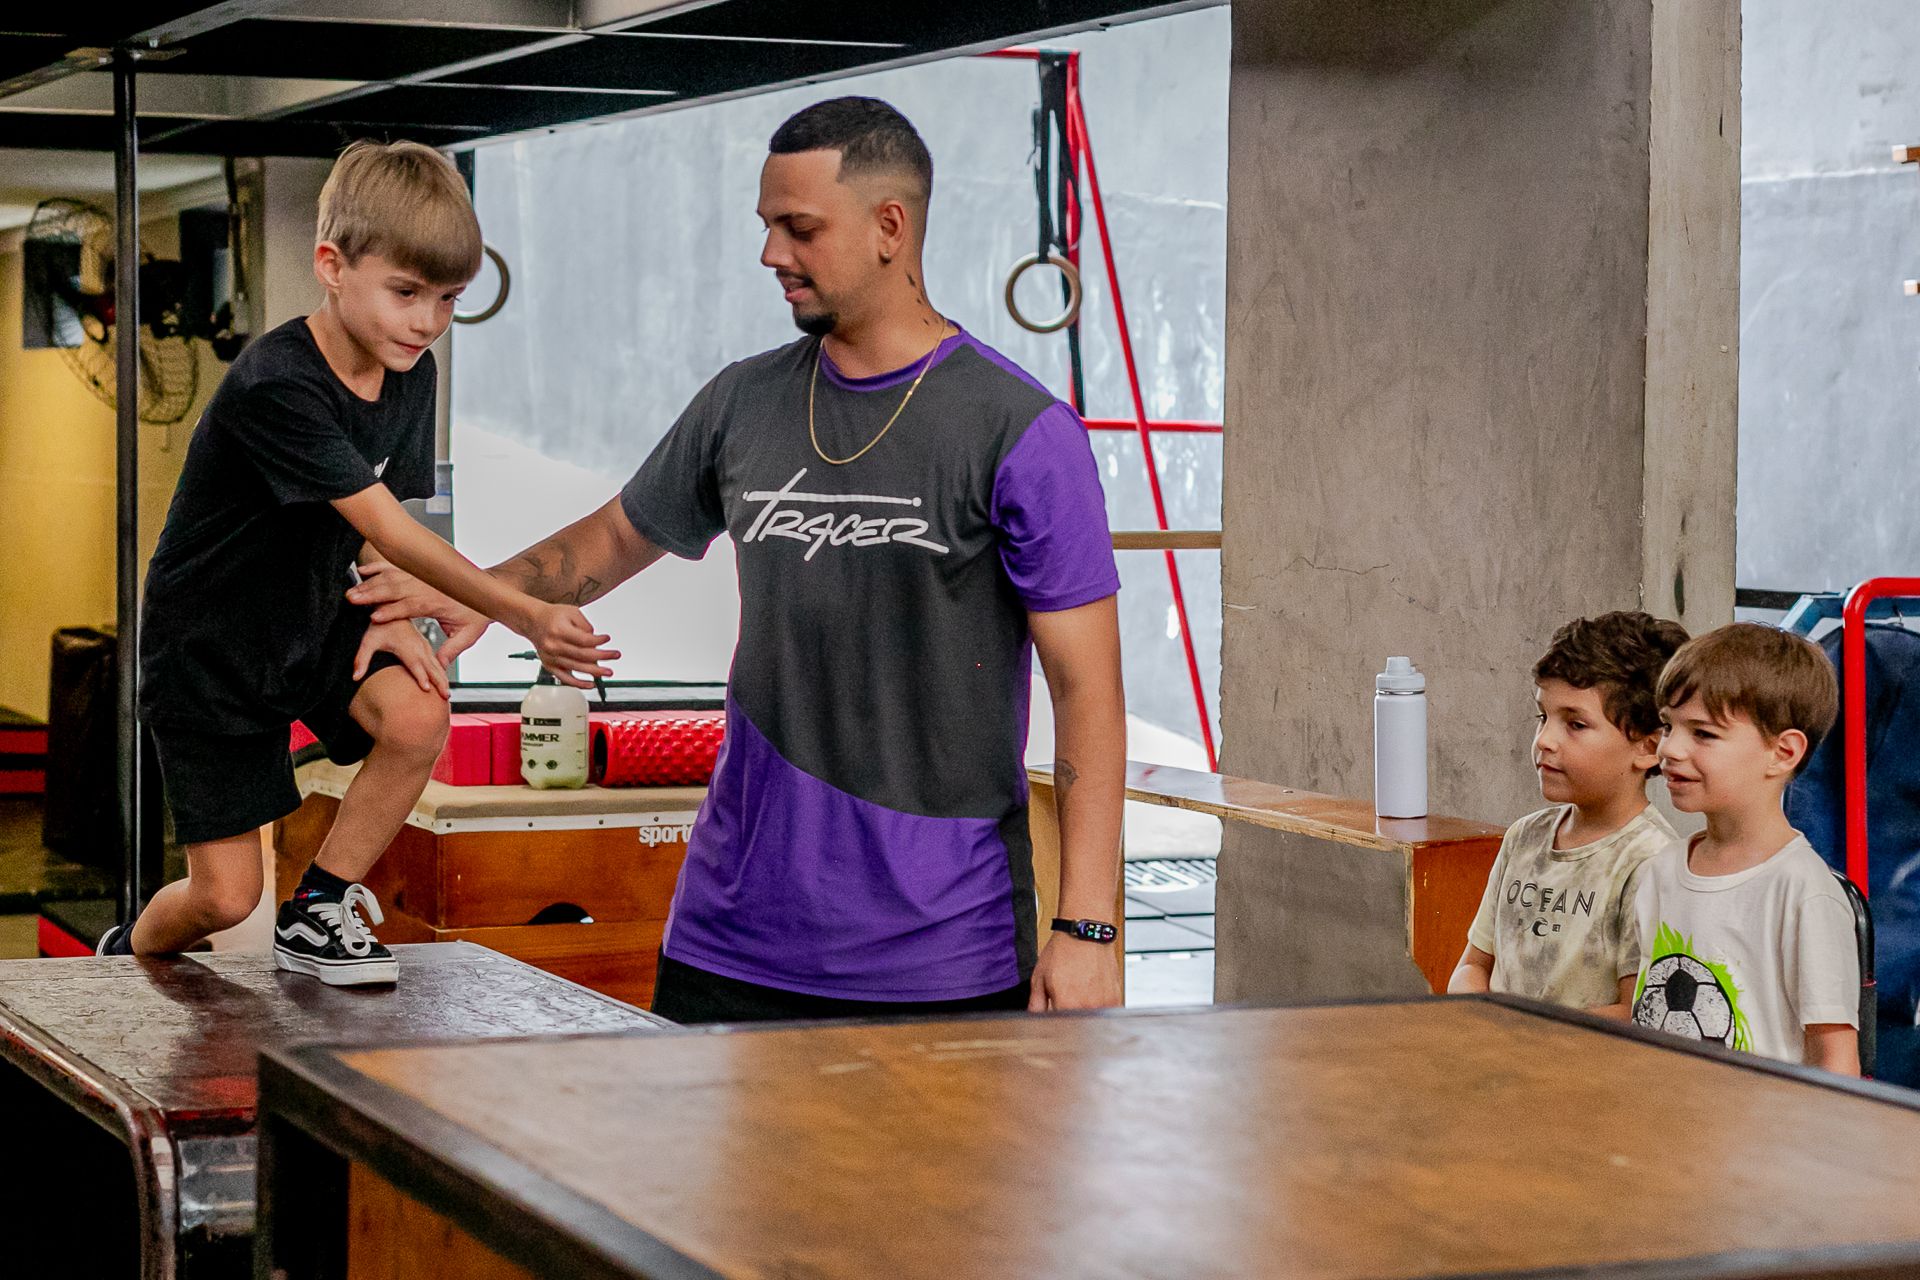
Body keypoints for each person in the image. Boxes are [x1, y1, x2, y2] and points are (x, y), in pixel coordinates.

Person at [353, 97, 1128, 1021]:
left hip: (937, 953)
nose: (772, 255)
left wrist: (1088, 929)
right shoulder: (743, 403)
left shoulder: (1022, 432)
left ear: (891, 227)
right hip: (730, 937)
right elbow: (609, 539)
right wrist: (486, 597)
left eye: (799, 229)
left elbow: (1089, 694)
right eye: (767, 227)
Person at [102, 140, 615, 985]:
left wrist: (396, 615)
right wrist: (524, 612)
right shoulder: (278, 383)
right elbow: (389, 524)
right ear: (331, 266)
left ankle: (319, 907)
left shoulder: (409, 374)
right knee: (225, 898)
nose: (427, 321)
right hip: (212, 646)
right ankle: (125, 959)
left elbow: (377, 528)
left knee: (417, 714)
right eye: (406, 294)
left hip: (312, 612)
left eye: (448, 300)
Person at [1629, 623, 1860, 1074]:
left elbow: (1835, 1058)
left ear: (1783, 753)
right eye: (1669, 726)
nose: (1671, 749)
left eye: (1704, 734)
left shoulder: (1803, 893)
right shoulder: (1660, 870)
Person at [1449, 612, 1688, 1014]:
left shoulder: (1652, 862)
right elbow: (1473, 965)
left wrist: (1526, 1038)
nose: (1545, 741)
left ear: (1648, 748)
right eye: (1543, 717)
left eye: (1575, 724)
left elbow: (1637, 1014)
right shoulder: (1524, 837)